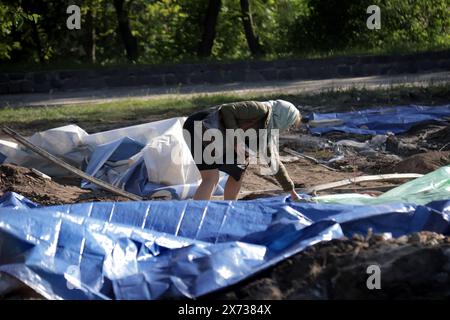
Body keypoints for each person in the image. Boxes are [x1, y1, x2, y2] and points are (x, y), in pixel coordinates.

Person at [183, 100, 302, 201]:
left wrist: (292, 192)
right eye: (290, 124)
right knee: (211, 178)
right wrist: (237, 140)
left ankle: (229, 208)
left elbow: (274, 162)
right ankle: (195, 216)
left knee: (238, 171)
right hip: (199, 125)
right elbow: (227, 110)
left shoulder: (266, 131)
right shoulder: (261, 109)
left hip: (213, 133)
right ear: (285, 117)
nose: (287, 129)